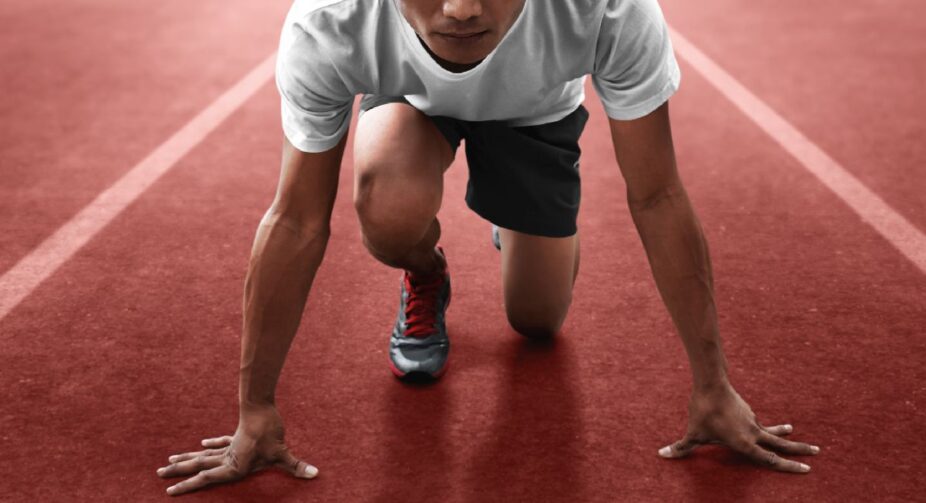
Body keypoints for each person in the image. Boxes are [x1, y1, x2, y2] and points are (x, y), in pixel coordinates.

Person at [156, 0, 821, 496]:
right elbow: (297, 220)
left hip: (536, 111)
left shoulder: (607, 8)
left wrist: (713, 384)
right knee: (387, 210)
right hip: (414, 104)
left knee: (536, 320)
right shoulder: (332, 19)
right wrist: (255, 407)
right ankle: (427, 272)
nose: (463, 9)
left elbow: (658, 195)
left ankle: (524, 222)